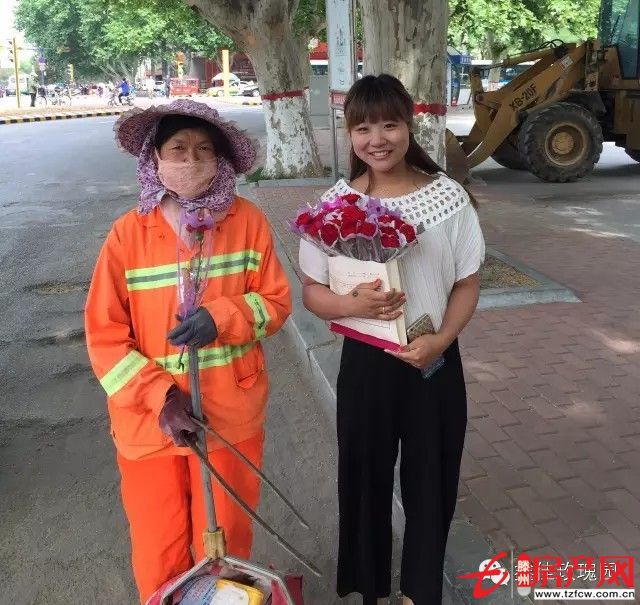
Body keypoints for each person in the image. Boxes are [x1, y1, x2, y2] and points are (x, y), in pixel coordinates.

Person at [85, 99, 291, 604]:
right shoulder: (128, 234)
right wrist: (161, 398)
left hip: (229, 419)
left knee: (226, 544)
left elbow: (275, 304)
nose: (191, 160)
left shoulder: (248, 221)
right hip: (149, 428)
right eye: (178, 149)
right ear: (155, 158)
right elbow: (104, 336)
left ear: (220, 158)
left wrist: (223, 317)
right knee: (160, 549)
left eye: (203, 149)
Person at [299, 74, 485, 604]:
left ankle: (420, 591)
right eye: (363, 128)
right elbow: (312, 291)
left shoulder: (447, 198)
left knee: (432, 478)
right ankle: (370, 588)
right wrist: (349, 306)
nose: (377, 139)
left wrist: (441, 340)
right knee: (363, 477)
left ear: (409, 126)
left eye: (389, 125)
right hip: (366, 363)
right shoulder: (334, 206)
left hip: (432, 358)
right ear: (350, 133)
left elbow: (468, 282)